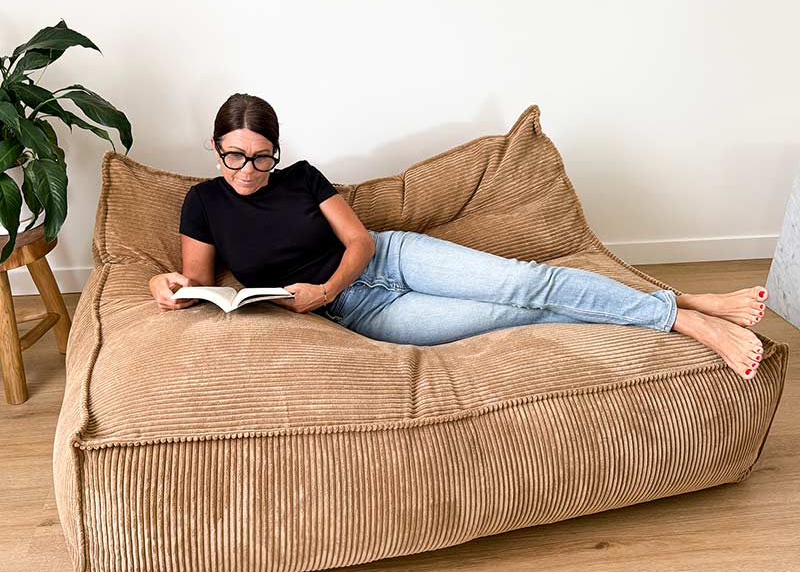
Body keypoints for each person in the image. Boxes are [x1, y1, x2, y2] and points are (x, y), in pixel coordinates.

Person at [150, 93, 767, 381]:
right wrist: (165, 283)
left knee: (529, 280)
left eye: (262, 157)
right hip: (367, 310)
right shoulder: (201, 202)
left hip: (389, 257)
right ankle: (685, 303)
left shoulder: (303, 179)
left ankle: (686, 318)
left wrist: (322, 287)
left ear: (277, 153)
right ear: (215, 147)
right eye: (235, 156)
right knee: (514, 314)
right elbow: (201, 284)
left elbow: (361, 243)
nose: (248, 171)